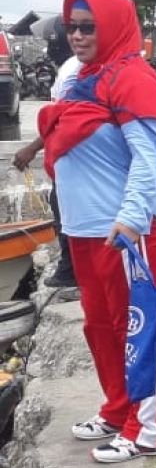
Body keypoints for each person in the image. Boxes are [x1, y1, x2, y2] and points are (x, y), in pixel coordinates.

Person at [37, 0, 156, 463]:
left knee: (138, 325)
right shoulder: (82, 76)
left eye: (89, 26)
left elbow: (150, 157)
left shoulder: (134, 79)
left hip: (129, 230)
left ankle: (148, 431)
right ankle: (117, 409)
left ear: (114, 26)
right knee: (101, 326)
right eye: (72, 27)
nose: (78, 36)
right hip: (85, 229)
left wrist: (130, 219)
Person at [13, 16, 84, 288]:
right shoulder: (71, 67)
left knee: (65, 209)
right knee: (62, 207)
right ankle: (71, 268)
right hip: (66, 152)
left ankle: (70, 273)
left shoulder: (72, 69)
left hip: (73, 153)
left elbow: (62, 118)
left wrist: (32, 148)